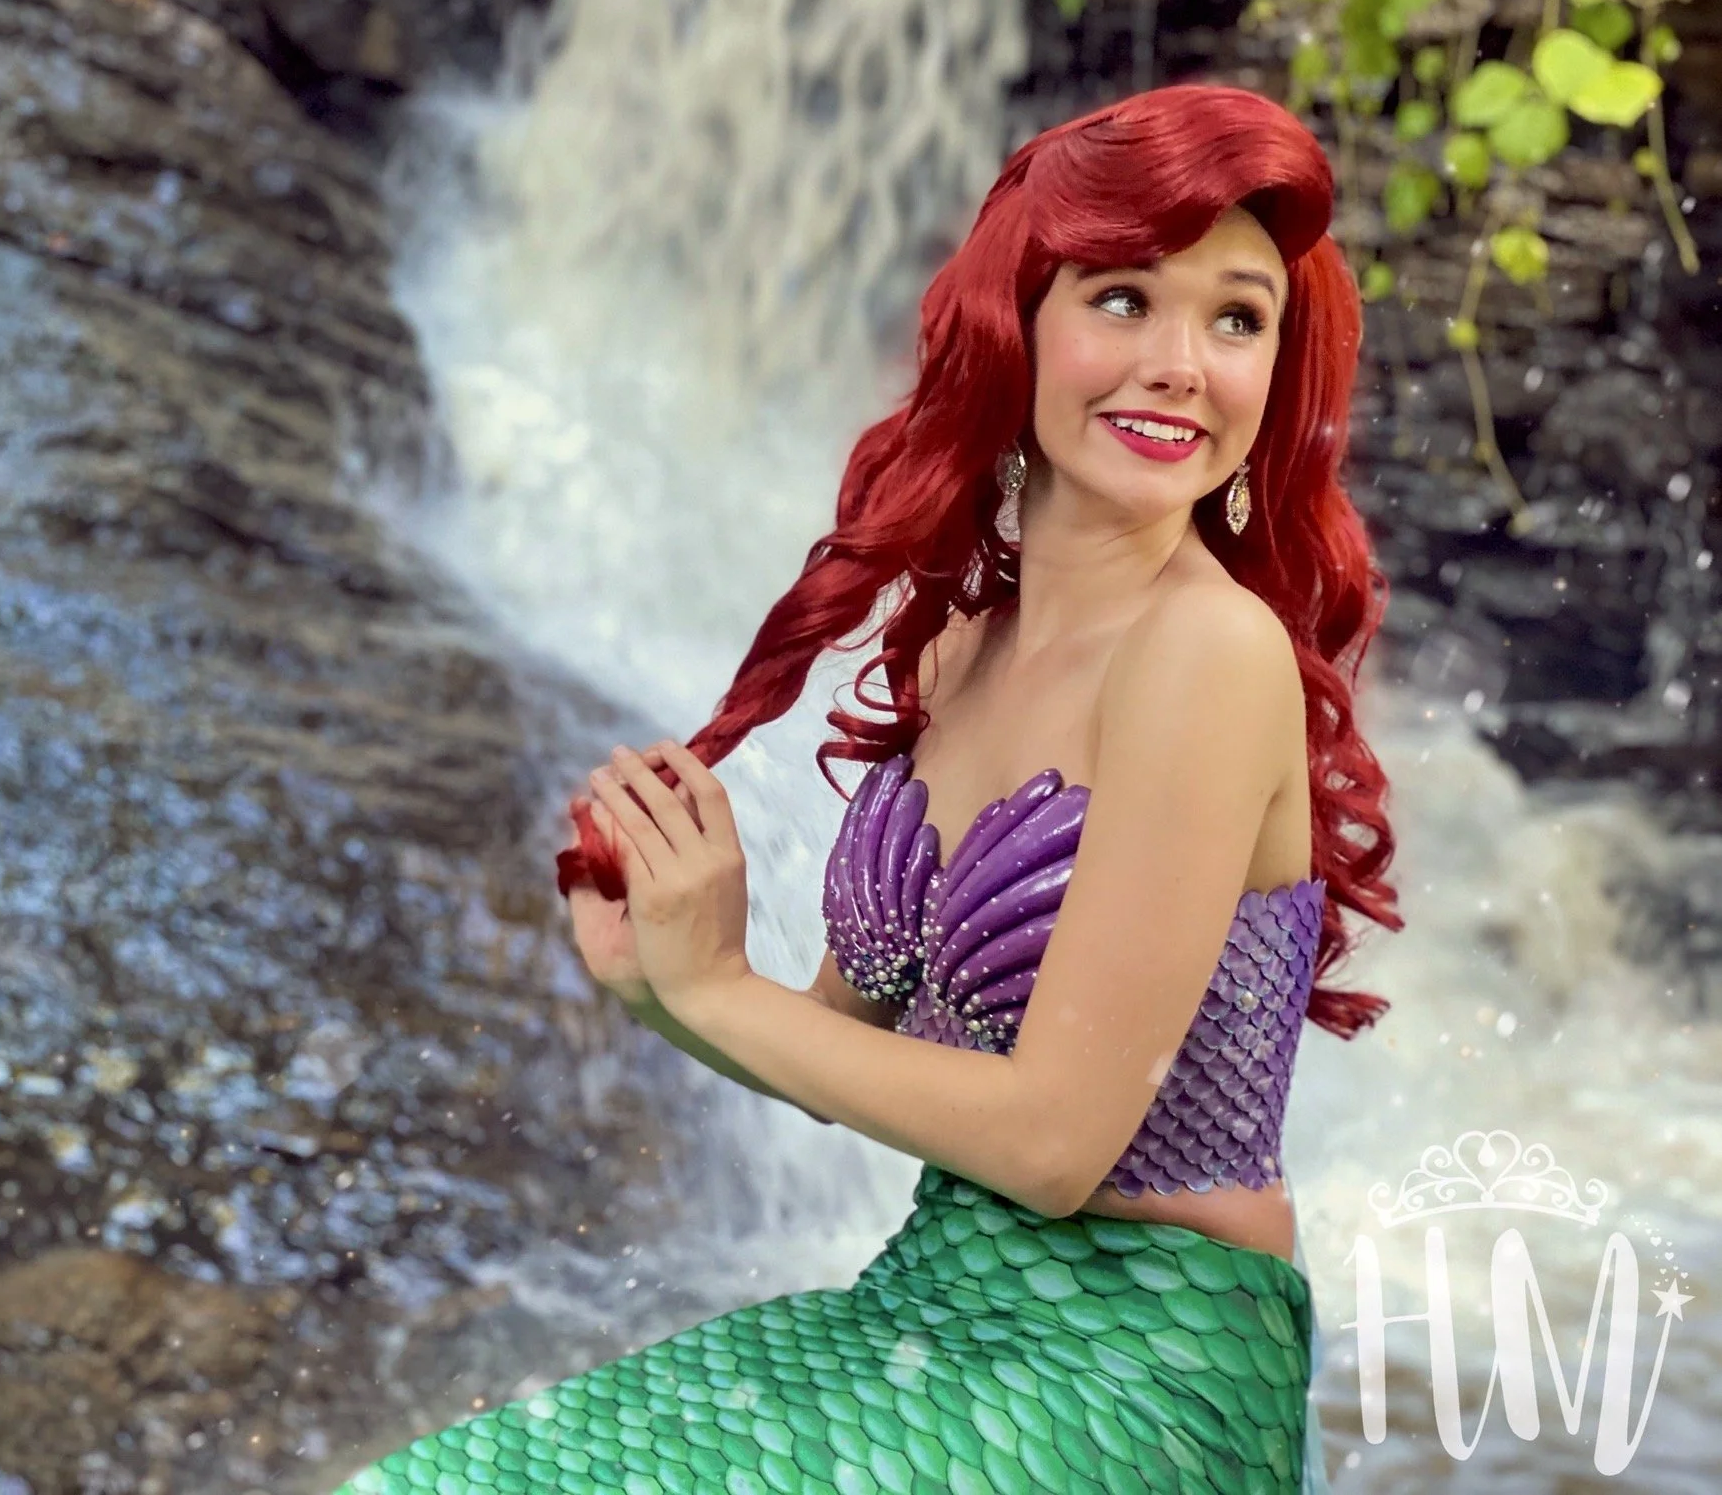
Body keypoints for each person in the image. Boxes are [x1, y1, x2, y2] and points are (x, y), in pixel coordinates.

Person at [342, 82, 1402, 1495]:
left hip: (1134, 1372)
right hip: (933, 1309)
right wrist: (665, 980)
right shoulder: (969, 642)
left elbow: (1050, 1144)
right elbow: (852, 1055)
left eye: (1236, 318)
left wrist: (715, 991)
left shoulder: (1208, 652)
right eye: (1124, 300)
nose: (1182, 366)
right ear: (1015, 318)